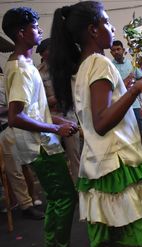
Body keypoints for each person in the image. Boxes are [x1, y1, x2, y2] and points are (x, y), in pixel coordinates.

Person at [49, 1, 142, 247]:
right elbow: (101, 122)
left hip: (99, 164)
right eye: (107, 22)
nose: (112, 28)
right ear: (93, 30)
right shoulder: (98, 63)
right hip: (118, 164)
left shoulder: (83, 65)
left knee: (115, 241)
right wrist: (135, 89)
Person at [2, 7, 78, 247]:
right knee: (65, 197)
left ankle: (54, 245)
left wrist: (59, 122)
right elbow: (15, 116)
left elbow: (34, 110)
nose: (40, 30)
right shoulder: (21, 69)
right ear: (22, 32)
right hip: (40, 146)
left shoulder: (23, 63)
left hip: (42, 140)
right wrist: (55, 130)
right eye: (35, 26)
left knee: (59, 198)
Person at [0, 66, 44, 219]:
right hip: (7, 129)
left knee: (18, 169)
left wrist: (11, 109)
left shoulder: (3, 79)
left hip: (8, 128)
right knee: (12, 171)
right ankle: (19, 202)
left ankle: (27, 203)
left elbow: (13, 105)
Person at [110, 40, 142, 175]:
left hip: (135, 105)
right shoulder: (110, 67)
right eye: (113, 50)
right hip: (119, 106)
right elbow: (111, 88)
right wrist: (125, 82)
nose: (116, 52)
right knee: (125, 137)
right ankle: (131, 167)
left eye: (118, 49)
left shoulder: (132, 64)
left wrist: (135, 83)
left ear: (123, 50)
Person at [36, 38, 81, 183]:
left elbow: (76, 90)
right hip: (51, 118)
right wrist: (53, 99)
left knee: (74, 154)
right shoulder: (38, 73)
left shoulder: (66, 68)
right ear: (42, 54)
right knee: (55, 156)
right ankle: (62, 188)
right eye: (46, 50)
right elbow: (37, 102)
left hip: (68, 114)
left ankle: (79, 187)